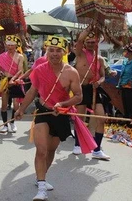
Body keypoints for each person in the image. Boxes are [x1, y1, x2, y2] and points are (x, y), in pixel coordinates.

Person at [15, 36, 83, 201]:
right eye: (51, 50)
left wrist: (64, 103)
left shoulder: (71, 73)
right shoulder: (39, 69)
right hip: (43, 112)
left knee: (51, 150)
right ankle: (42, 186)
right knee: (42, 150)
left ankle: (42, 178)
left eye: (58, 50)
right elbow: (32, 91)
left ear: (64, 52)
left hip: (60, 114)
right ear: (46, 51)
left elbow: (79, 97)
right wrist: (21, 109)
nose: (54, 54)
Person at [72, 26, 111, 160]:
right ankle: (77, 144)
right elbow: (80, 40)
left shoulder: (100, 59)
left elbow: (103, 76)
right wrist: (90, 29)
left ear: (96, 43)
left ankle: (97, 149)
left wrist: (99, 82)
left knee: (101, 119)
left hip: (95, 90)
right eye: (88, 42)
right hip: (82, 89)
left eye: (92, 42)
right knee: (80, 119)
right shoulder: (80, 53)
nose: (90, 44)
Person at [0, 35, 25, 134]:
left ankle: (12, 122)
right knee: (3, 105)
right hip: (5, 81)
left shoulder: (20, 56)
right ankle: (5, 125)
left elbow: (20, 71)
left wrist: (14, 79)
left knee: (16, 105)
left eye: (12, 45)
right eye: (8, 45)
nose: (10, 47)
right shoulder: (2, 56)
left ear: (16, 45)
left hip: (15, 81)